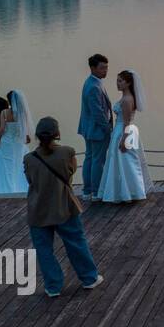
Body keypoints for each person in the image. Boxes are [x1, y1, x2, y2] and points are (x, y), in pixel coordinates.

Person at [23, 117, 102, 297]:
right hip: (64, 206)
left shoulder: (29, 159)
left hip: (38, 210)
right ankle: (89, 278)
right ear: (57, 134)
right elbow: (71, 172)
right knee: (76, 243)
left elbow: (30, 181)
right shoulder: (67, 152)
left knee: (44, 250)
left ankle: (53, 286)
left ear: (37, 136)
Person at [98, 69, 151, 203]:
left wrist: (124, 139)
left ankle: (130, 192)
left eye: (120, 81)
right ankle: (128, 192)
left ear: (128, 83)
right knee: (124, 163)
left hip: (124, 131)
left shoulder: (127, 100)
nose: (117, 83)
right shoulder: (126, 98)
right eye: (117, 80)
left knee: (126, 162)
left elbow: (127, 121)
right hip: (122, 131)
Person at [77, 54, 114, 201]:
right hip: (97, 129)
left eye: (106, 68)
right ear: (93, 68)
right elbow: (97, 112)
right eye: (102, 68)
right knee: (98, 160)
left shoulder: (91, 82)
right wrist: (107, 128)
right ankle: (96, 191)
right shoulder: (93, 86)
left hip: (88, 128)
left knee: (90, 158)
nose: (105, 71)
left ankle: (87, 191)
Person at [0, 89, 33, 194]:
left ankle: (5, 187)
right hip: (18, 143)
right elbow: (25, 127)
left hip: (6, 143)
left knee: (5, 166)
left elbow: (2, 128)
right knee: (19, 165)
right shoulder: (22, 113)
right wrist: (27, 136)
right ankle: (19, 186)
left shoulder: (4, 112)